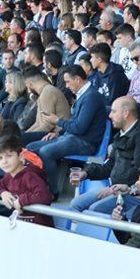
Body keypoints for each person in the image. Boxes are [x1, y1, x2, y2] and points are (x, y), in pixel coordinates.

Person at [26, 66, 108, 196]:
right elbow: (74, 123)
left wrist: (57, 121)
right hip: (71, 137)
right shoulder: (84, 95)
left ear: (77, 79)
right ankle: (36, 185)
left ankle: (52, 192)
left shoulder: (91, 97)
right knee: (31, 147)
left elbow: (79, 127)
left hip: (85, 143)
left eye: (68, 81)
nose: (66, 85)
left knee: (45, 152)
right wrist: (58, 132)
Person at [69, 96, 140, 215]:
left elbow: (139, 173)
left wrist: (115, 190)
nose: (110, 115)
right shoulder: (121, 134)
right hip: (114, 189)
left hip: (129, 193)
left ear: (126, 113)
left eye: (113, 111)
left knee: (93, 210)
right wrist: (86, 173)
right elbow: (109, 165)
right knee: (75, 204)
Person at [0, 134, 54, 227]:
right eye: (0, 158)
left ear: (21, 156)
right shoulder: (8, 176)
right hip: (23, 226)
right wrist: (2, 193)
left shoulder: (30, 176)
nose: (4, 161)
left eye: (9, 156)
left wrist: (22, 200)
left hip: (41, 228)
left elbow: (45, 196)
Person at [88, 43, 130, 108]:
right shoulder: (98, 74)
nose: (90, 60)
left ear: (99, 59)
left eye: (92, 57)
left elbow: (113, 101)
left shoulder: (116, 75)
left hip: (116, 109)